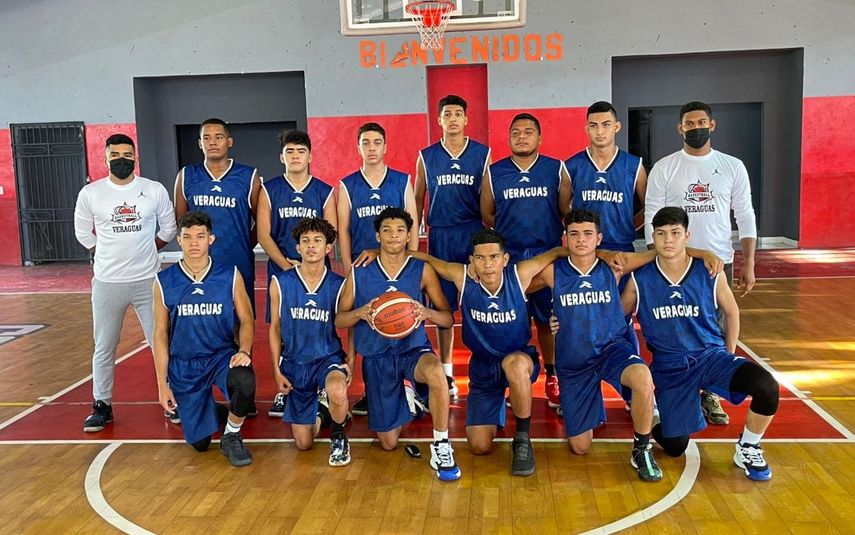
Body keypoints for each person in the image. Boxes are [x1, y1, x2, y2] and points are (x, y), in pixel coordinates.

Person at [542, 209, 720, 481]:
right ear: (565, 238)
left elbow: (661, 252)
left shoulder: (616, 265)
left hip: (611, 349)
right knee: (580, 446)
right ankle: (592, 406)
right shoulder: (553, 272)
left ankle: (641, 447)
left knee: (641, 376)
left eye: (588, 234)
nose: (581, 241)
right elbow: (516, 281)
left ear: (599, 238)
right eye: (574, 234)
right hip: (574, 360)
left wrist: (702, 253)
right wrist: (555, 253)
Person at [391, 230, 573, 476]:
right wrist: (403, 252)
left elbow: (553, 254)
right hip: (483, 367)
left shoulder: (519, 275)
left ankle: (522, 438)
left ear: (505, 259)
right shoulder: (463, 277)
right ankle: (495, 407)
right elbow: (434, 262)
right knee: (479, 445)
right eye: (481, 258)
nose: (488, 264)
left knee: (514, 365)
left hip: (518, 358)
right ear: (472, 260)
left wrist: (573, 249)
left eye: (494, 257)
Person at [623, 207, 778, 481]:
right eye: (661, 234)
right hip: (670, 369)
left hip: (710, 357)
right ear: (652, 238)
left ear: (687, 236)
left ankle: (749, 446)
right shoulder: (640, 278)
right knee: (674, 447)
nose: (668, 240)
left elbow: (731, 312)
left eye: (675, 233)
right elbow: (614, 317)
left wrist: (728, 355)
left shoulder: (709, 271)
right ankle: (662, 412)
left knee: (766, 386)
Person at [644, 101, 758, 425]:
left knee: (718, 330)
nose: (696, 128)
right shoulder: (665, 167)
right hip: (675, 264)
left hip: (718, 263)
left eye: (701, 122)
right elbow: (653, 214)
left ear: (712, 125)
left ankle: (712, 391)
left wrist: (749, 262)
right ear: (680, 128)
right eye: (689, 124)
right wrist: (662, 259)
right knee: (676, 329)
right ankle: (678, 387)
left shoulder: (732, 166)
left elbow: (745, 214)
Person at [335, 208, 460, 481]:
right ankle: (408, 394)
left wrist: (426, 313)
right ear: (377, 235)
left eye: (400, 230)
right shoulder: (360, 272)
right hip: (378, 357)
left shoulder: (421, 270)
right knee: (389, 442)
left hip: (414, 351)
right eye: (387, 230)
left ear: (408, 236)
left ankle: (441, 444)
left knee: (437, 373)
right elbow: (339, 320)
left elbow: (448, 319)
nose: (393, 235)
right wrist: (360, 313)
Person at [74, 133, 177, 432]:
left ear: (135, 157)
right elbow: (83, 234)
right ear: (105, 158)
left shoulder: (153, 190)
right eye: (115, 154)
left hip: (148, 281)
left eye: (127, 154)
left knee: (161, 342)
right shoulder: (91, 194)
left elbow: (169, 229)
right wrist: (105, 252)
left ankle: (173, 398)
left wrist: (148, 249)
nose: (121, 159)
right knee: (104, 346)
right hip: (107, 283)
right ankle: (101, 404)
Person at [152, 211, 257, 467]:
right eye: (187, 237)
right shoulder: (164, 281)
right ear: (179, 240)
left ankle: (231, 435)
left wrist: (244, 350)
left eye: (200, 236)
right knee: (200, 444)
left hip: (221, 357)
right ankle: (211, 409)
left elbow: (246, 319)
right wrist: (162, 384)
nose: (194, 242)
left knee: (245, 379)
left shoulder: (229, 275)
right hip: (184, 364)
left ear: (211, 239)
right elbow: (160, 334)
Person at [481, 113, 571, 411]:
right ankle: (514, 378)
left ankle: (553, 375)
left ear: (539, 138)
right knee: (514, 323)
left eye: (528, 132)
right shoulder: (495, 173)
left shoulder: (555, 169)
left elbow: (564, 210)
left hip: (546, 255)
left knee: (548, 322)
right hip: (511, 258)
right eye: (516, 132)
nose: (522, 136)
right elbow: (488, 215)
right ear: (508, 138)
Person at [337, 122, 419, 416]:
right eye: (366, 143)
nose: (371, 148)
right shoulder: (348, 185)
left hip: (398, 266)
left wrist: (411, 265)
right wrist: (349, 269)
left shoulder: (401, 180)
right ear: (358, 148)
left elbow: (413, 224)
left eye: (376, 142)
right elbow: (343, 230)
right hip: (363, 270)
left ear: (385, 147)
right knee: (362, 328)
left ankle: (407, 384)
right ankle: (365, 390)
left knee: (402, 319)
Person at [414, 94, 491, 397]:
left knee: (479, 305)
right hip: (440, 236)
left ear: (466, 119)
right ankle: (446, 371)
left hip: (472, 233)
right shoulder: (427, 156)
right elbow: (418, 199)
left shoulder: (482, 154)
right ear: (439, 120)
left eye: (459, 113)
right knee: (442, 307)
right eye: (448, 114)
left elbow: (488, 201)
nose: (454, 119)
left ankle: (484, 368)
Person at [258, 130, 336, 418]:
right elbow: (263, 234)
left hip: (316, 271)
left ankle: (323, 382)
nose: (295, 156)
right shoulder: (269, 189)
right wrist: (288, 264)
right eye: (289, 151)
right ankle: (284, 389)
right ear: (282, 157)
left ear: (310, 156)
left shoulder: (324, 191)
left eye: (300, 151)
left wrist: (310, 262)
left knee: (319, 323)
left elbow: (332, 232)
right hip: (284, 269)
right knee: (283, 327)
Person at [565, 101, 647, 357]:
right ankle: (584, 378)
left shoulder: (634, 165)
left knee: (620, 319)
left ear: (617, 127)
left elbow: (649, 207)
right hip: (584, 255)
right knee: (583, 320)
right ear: (586, 129)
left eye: (606, 125)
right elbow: (563, 209)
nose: (600, 131)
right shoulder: (572, 165)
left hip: (621, 251)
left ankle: (631, 385)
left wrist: (627, 227)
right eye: (594, 126)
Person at [269, 218, 351, 466]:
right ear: (297, 248)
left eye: (317, 241)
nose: (311, 246)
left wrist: (352, 363)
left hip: (327, 358)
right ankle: (324, 412)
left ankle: (339, 437)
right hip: (295, 363)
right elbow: (274, 328)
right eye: (305, 241)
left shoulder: (339, 284)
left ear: (328, 248)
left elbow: (352, 327)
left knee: (337, 388)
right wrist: (276, 370)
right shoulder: (281, 283)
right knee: (304, 443)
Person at [174, 118, 262, 317]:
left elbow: (262, 222)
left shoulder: (248, 176)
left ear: (229, 142)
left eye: (219, 137)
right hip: (198, 262)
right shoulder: (186, 175)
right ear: (200, 143)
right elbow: (181, 222)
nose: (212, 142)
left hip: (237, 261)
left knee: (241, 320)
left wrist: (245, 244)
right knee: (204, 319)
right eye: (207, 138)